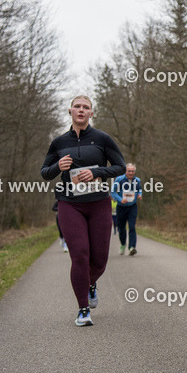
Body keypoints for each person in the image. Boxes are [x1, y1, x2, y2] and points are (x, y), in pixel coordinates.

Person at [41, 95, 125, 326]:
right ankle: (83, 309)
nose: (81, 110)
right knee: (79, 255)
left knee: (99, 260)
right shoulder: (59, 142)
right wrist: (58, 166)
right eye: (77, 106)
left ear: (91, 113)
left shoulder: (102, 139)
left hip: (98, 203)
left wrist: (97, 172)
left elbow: (120, 166)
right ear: (70, 111)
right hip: (70, 203)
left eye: (85, 107)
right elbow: (44, 171)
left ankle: (90, 283)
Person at [111, 163, 143, 255]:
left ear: (135, 172)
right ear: (126, 171)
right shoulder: (119, 179)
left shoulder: (137, 180)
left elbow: (139, 189)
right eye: (129, 171)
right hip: (121, 207)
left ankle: (132, 247)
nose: (131, 173)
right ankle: (123, 244)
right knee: (121, 228)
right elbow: (113, 192)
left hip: (132, 206)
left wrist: (140, 195)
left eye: (132, 171)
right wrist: (120, 199)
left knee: (132, 226)